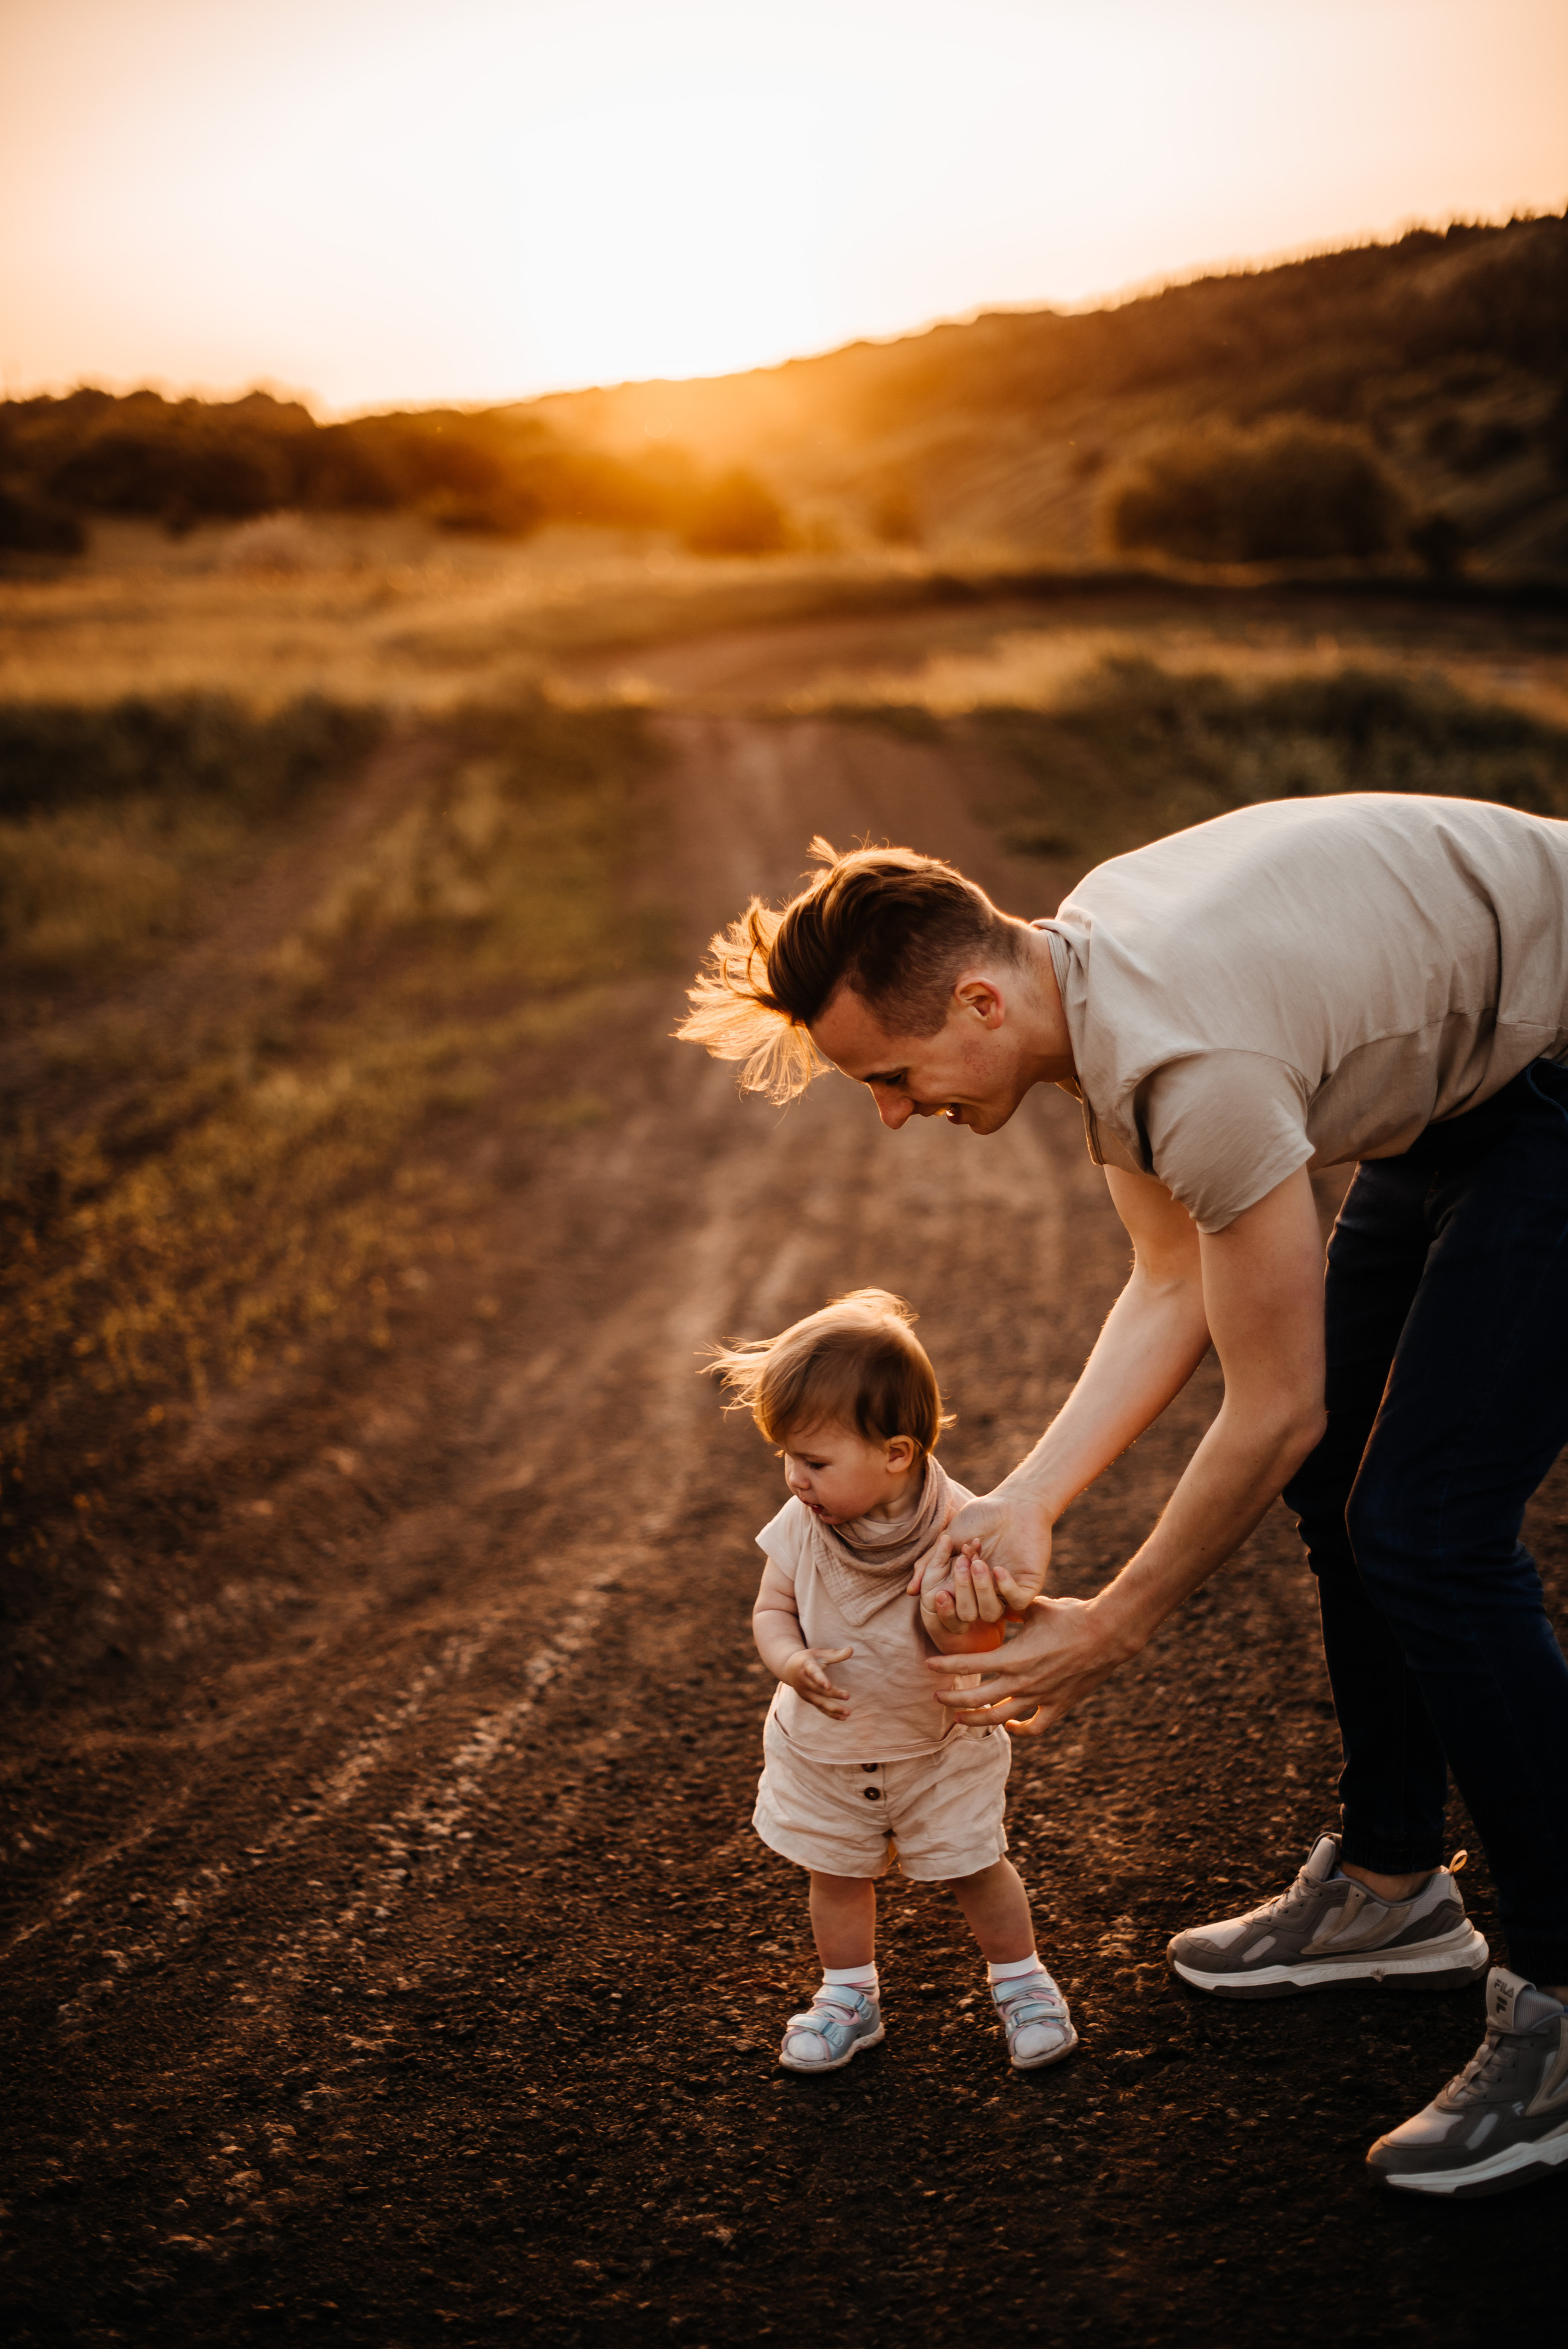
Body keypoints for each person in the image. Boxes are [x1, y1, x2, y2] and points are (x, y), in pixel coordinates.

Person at [677, 798, 1568, 2196]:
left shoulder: (1186, 1059)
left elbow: (1274, 1403)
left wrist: (1115, 1620)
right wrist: (1024, 1499)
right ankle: (1394, 1888)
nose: (894, 1113)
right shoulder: (1078, 979)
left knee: (1423, 1520)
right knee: (1355, 1488)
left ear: (978, 996)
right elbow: (1168, 1282)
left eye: (893, 1074)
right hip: (1470, 1085)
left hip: (1550, 1071)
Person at [707, 1287, 1076, 2075]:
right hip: (828, 1750)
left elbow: (998, 1623)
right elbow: (771, 1609)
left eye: (813, 1461)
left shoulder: (964, 1524)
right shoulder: (801, 1525)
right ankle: (848, 1994)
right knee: (836, 1876)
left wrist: (989, 1623)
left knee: (978, 1867)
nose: (794, 1479)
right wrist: (788, 1660)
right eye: (788, 1458)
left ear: (897, 1454)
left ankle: (1022, 1983)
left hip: (939, 1748)